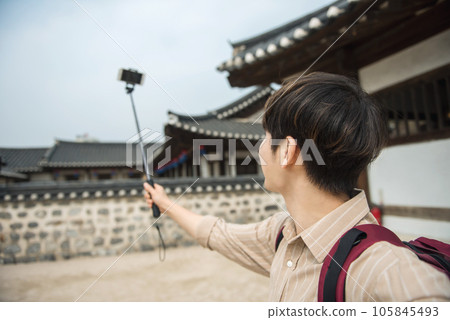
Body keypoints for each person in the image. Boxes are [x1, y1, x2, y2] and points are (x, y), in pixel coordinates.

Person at [143, 72, 450, 301]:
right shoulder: (281, 236)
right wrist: (166, 203)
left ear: (288, 151)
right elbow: (217, 233)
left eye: (264, 137)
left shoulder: (380, 266)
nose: (260, 150)